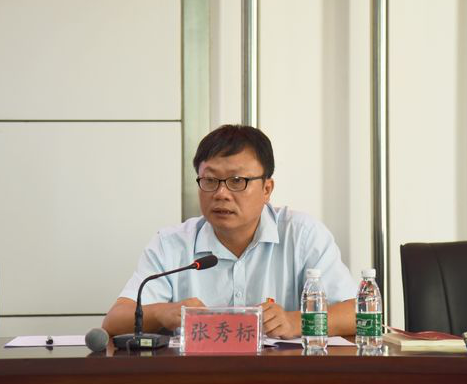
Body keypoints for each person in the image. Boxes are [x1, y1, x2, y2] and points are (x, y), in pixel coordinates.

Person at [102, 124, 357, 339]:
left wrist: (295, 321)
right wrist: (162, 313)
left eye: (237, 181)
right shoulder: (171, 244)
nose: (221, 194)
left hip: (283, 376)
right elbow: (114, 321)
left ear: (267, 189)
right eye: (210, 180)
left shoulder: (302, 234)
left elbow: (357, 313)